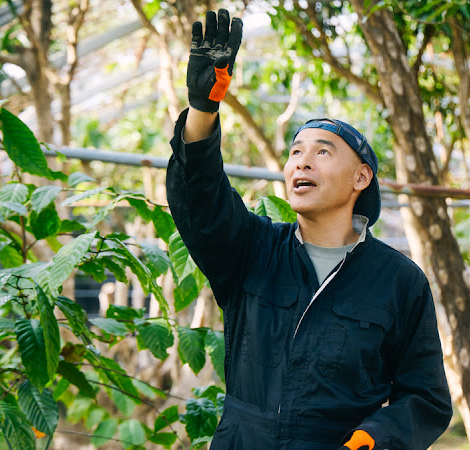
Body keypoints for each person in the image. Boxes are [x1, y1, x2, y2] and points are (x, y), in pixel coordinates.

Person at [166, 9, 452, 450]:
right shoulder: (252, 250)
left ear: (361, 178)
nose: (302, 160)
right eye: (296, 150)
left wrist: (373, 439)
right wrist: (203, 110)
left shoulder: (399, 281)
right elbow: (200, 202)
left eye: (323, 152)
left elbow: (426, 396)